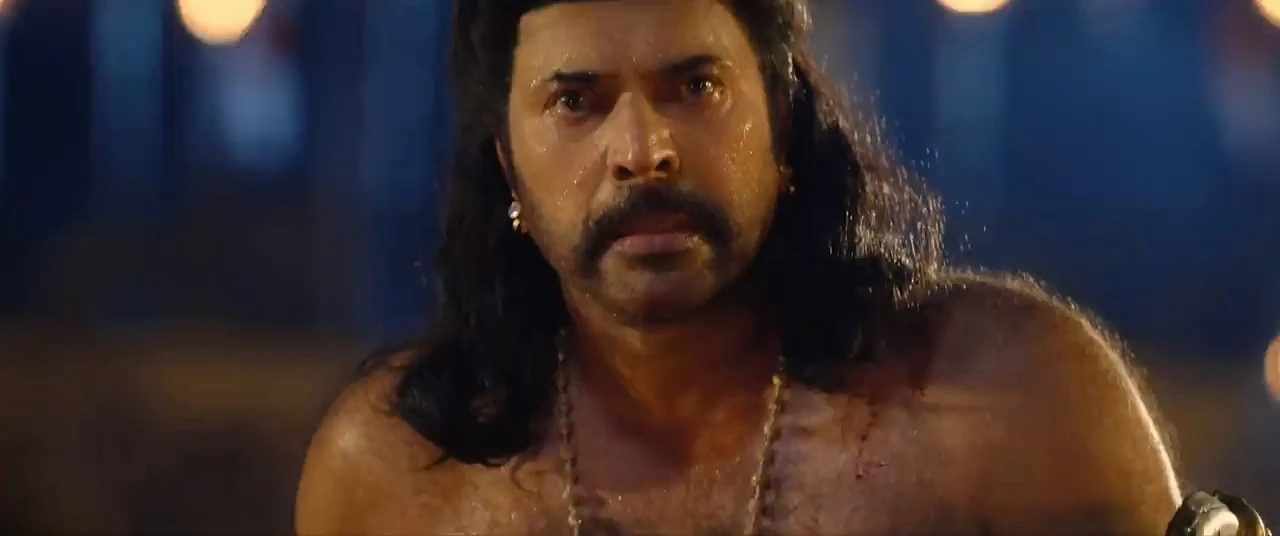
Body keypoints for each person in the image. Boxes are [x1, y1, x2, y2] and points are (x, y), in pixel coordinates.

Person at [295, 1, 1187, 534]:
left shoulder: (1011, 403)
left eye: (696, 87)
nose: (642, 151)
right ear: (507, 167)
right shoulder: (392, 473)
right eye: (576, 102)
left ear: (784, 127)